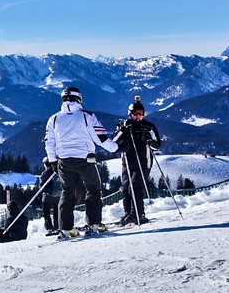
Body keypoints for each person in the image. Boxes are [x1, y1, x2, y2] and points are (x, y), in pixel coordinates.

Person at [44, 86, 118, 238]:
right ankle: (94, 224)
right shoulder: (87, 116)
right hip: (85, 159)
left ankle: (66, 229)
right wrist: (115, 147)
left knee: (67, 192)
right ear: (79, 99)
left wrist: (53, 161)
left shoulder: (54, 118)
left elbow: (49, 142)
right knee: (93, 189)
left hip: (64, 161)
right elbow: (101, 137)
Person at [112, 98, 162, 226]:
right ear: (130, 113)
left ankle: (138, 214)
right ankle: (128, 213)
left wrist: (149, 140)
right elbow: (114, 142)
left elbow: (158, 145)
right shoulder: (123, 125)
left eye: (141, 113)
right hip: (127, 163)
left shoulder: (148, 126)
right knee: (125, 188)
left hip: (144, 162)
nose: (138, 116)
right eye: (135, 113)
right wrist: (123, 131)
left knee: (135, 187)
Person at [39, 161, 63, 236]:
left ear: (46, 164)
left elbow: (42, 185)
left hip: (47, 197)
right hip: (58, 196)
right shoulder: (58, 171)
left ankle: (49, 228)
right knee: (56, 213)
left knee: (46, 214)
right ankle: (57, 227)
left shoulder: (45, 173)